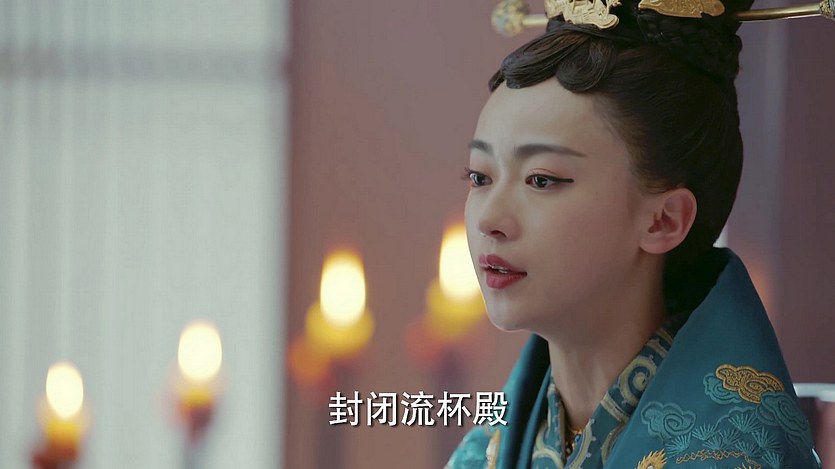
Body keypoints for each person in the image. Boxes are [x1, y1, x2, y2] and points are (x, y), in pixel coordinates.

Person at [446, 0, 825, 467]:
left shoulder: (731, 455)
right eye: (480, 177)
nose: (490, 219)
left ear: (663, 219)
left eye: (541, 180)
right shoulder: (497, 444)